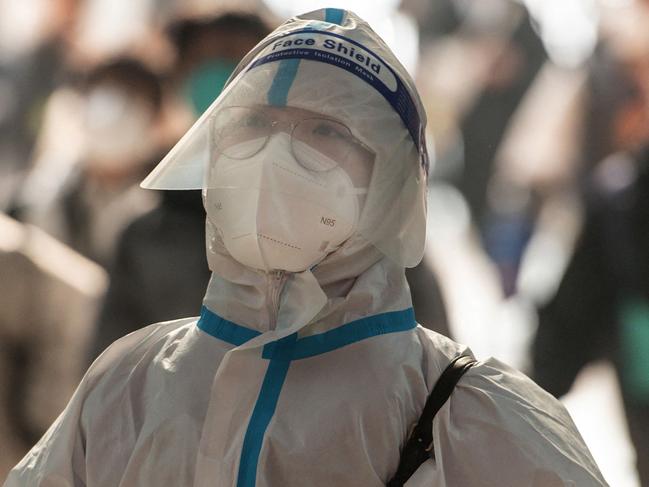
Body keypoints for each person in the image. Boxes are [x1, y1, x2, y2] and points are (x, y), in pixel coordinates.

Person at [5, 9, 606, 486]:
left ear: (390, 184)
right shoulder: (124, 387)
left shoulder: (473, 419)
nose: (274, 155)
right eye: (253, 125)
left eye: (325, 131)